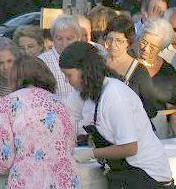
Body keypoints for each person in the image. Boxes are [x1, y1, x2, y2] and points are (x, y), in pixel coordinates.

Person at [59, 41, 173, 189]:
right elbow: (65, 118)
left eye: (69, 75)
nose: (67, 81)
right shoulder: (82, 93)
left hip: (147, 175)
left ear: (85, 71)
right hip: (121, 173)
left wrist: (92, 153)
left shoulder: (115, 96)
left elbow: (130, 148)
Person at [0, 55, 81, 189]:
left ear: (15, 77)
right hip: (66, 180)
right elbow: (69, 147)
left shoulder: (6, 104)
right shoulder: (62, 104)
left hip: (29, 181)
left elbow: (4, 159)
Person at [104, 15, 157, 120]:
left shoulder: (139, 71)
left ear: (129, 42)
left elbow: (150, 109)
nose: (113, 44)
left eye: (119, 40)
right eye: (110, 39)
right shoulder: (99, 64)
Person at [137, 18, 176, 138]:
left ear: (162, 48)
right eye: (144, 42)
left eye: (153, 47)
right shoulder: (127, 62)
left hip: (157, 133)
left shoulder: (168, 72)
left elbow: (174, 107)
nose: (146, 49)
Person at [38, 14, 82, 101]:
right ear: (53, 39)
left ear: (78, 38)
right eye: (59, 39)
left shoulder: (86, 58)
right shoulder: (42, 62)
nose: (64, 44)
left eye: (69, 39)